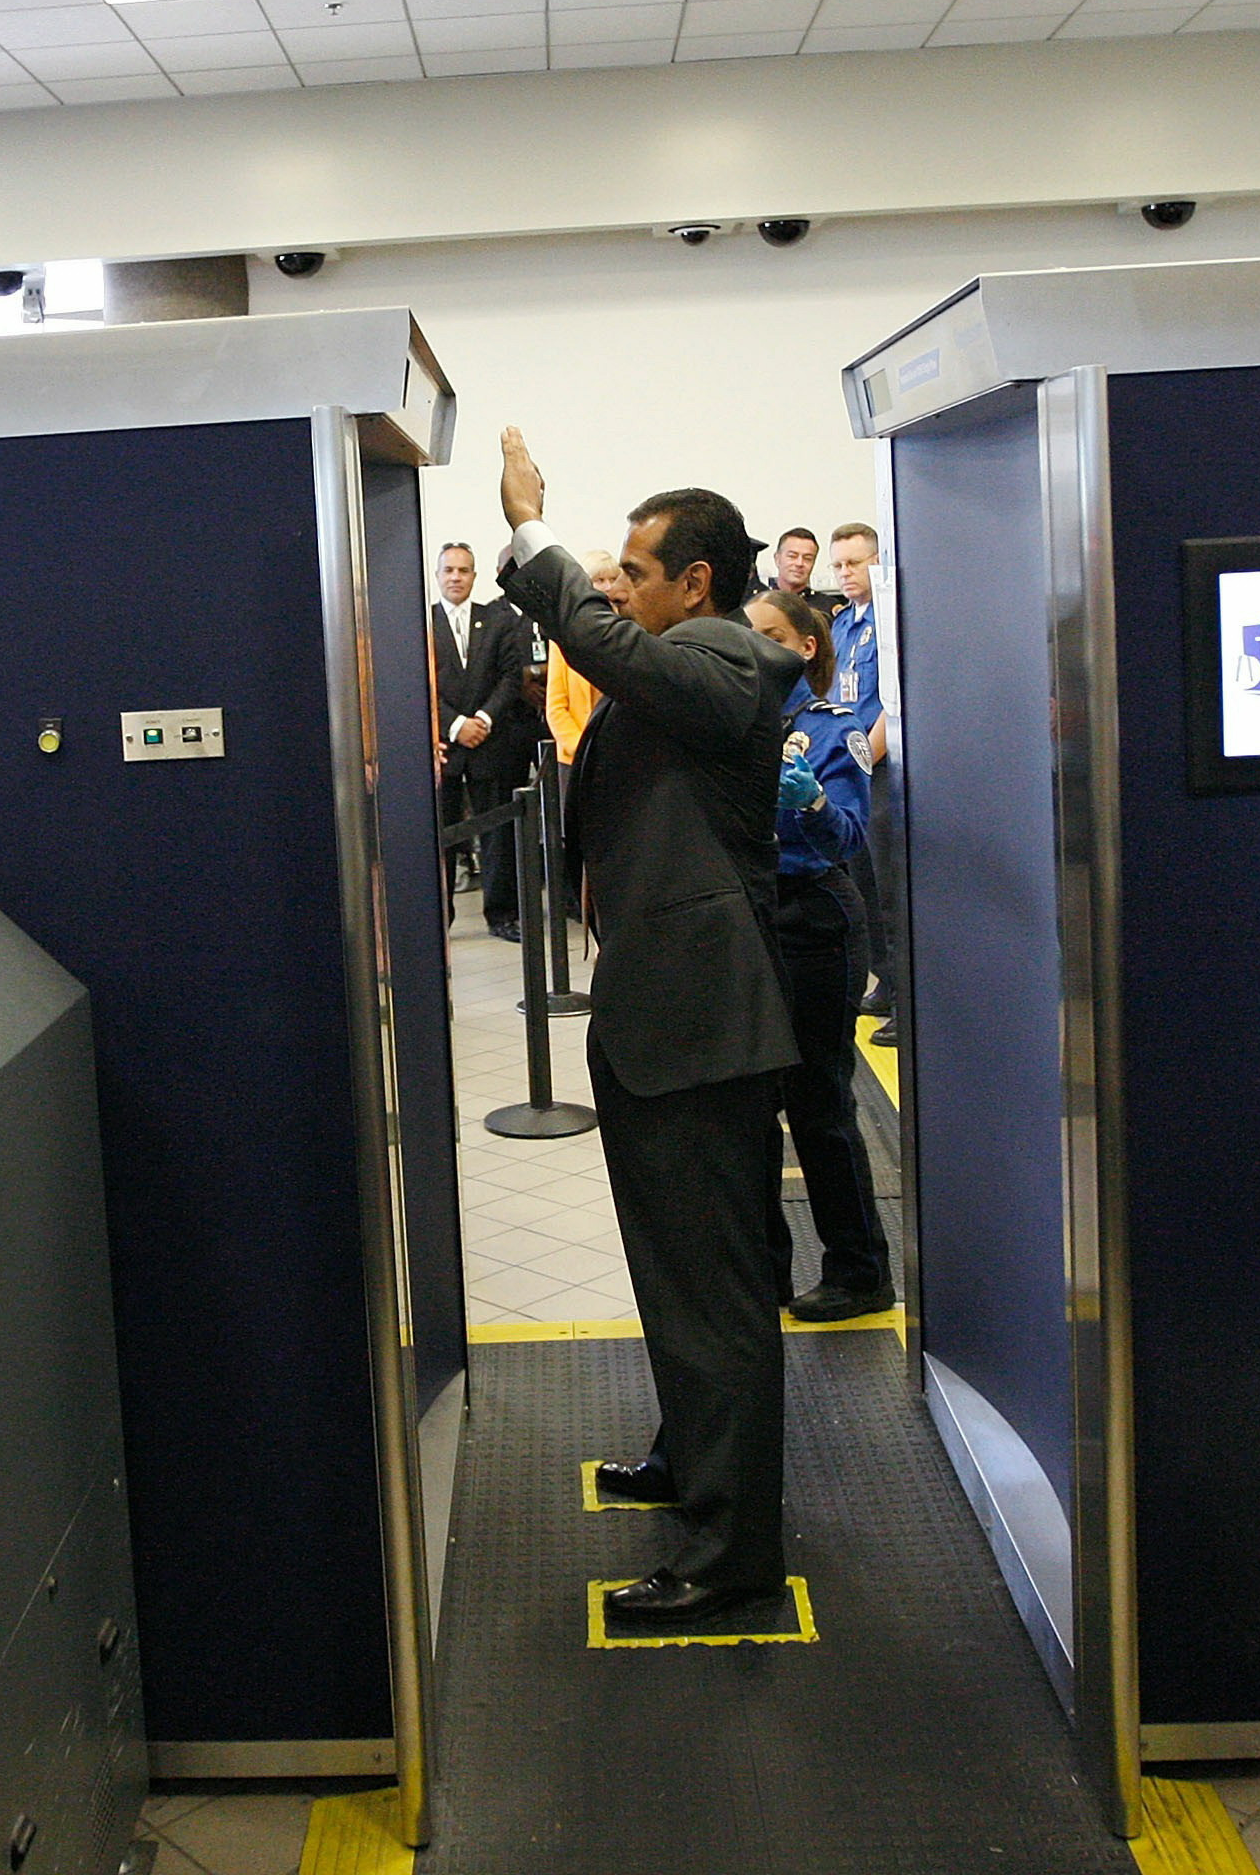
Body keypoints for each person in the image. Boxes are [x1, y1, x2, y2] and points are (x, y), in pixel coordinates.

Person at [493, 427, 804, 1632]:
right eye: (608, 565)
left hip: (702, 1030)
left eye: (636, 566)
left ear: (699, 584)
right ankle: (693, 1461)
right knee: (676, 1274)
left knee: (714, 1292)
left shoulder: (732, 661)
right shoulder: (682, 655)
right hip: (663, 1022)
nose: (616, 584)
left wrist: (533, 533)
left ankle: (734, 1558)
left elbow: (608, 646)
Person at [745, 589, 896, 1322]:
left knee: (819, 1105)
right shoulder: (739, 722)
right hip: (753, 916)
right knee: (753, 1106)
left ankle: (861, 1270)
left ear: (805, 646)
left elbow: (848, 839)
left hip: (815, 920)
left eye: (769, 635)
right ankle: (768, 1272)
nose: (754, 647)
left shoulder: (833, 730)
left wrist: (807, 802)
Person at [431, 542, 536, 939]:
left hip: (490, 742)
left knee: (498, 834)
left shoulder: (498, 621)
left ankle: (502, 914)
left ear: (474, 576)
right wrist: (455, 725)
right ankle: (441, 918)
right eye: (449, 570)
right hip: (445, 747)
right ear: (438, 576)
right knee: (441, 835)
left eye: (464, 570)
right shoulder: (422, 623)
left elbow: (511, 678)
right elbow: (417, 682)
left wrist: (483, 719)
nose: (456, 577)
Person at [829, 526, 900, 1041]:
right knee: (862, 886)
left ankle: (908, 994)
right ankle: (885, 981)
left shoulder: (890, 621)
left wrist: (861, 759)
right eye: (839, 566)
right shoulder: (842, 625)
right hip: (850, 773)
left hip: (881, 772)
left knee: (891, 888)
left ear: (877, 562)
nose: (845, 573)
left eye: (854, 563)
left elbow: (891, 705)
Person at [545, 552, 627, 926]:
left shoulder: (630, 633)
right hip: (575, 758)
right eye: (599, 581)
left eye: (613, 579)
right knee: (579, 842)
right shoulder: (563, 639)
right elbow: (555, 708)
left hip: (618, 757)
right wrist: (584, 748)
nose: (608, 588)